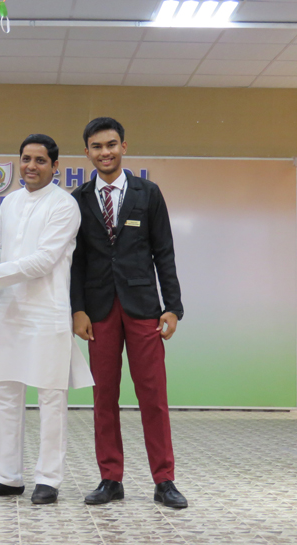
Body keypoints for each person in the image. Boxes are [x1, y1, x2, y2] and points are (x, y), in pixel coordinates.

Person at [0, 134, 94, 505]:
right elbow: (14, 253)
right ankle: (7, 477)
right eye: (25, 159)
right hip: (10, 310)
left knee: (51, 397)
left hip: (47, 312)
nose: (31, 166)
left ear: (55, 166)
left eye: (40, 160)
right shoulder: (10, 202)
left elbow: (43, 261)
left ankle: (48, 479)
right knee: (3, 394)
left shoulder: (65, 205)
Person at [70, 117, 187, 509]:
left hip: (143, 308)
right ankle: (110, 478)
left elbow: (164, 252)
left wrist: (173, 307)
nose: (105, 152)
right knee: (104, 396)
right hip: (99, 310)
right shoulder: (78, 198)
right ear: (87, 152)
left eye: (111, 144)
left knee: (153, 395)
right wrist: (78, 309)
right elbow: (76, 261)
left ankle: (164, 480)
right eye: (97, 146)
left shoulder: (147, 193)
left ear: (123, 146)